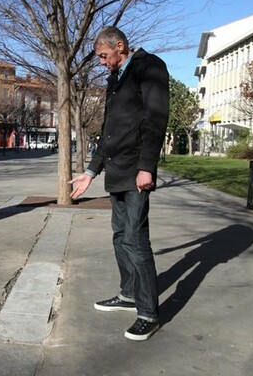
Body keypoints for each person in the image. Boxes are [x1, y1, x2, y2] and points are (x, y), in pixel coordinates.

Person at [69, 26, 169, 341]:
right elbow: (109, 131)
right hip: (116, 171)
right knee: (119, 236)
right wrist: (90, 171)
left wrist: (146, 167)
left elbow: (156, 119)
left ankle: (148, 313)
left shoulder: (149, 67)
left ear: (120, 46)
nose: (101, 62)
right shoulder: (114, 79)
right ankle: (128, 294)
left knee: (137, 241)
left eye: (103, 56)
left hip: (135, 170)